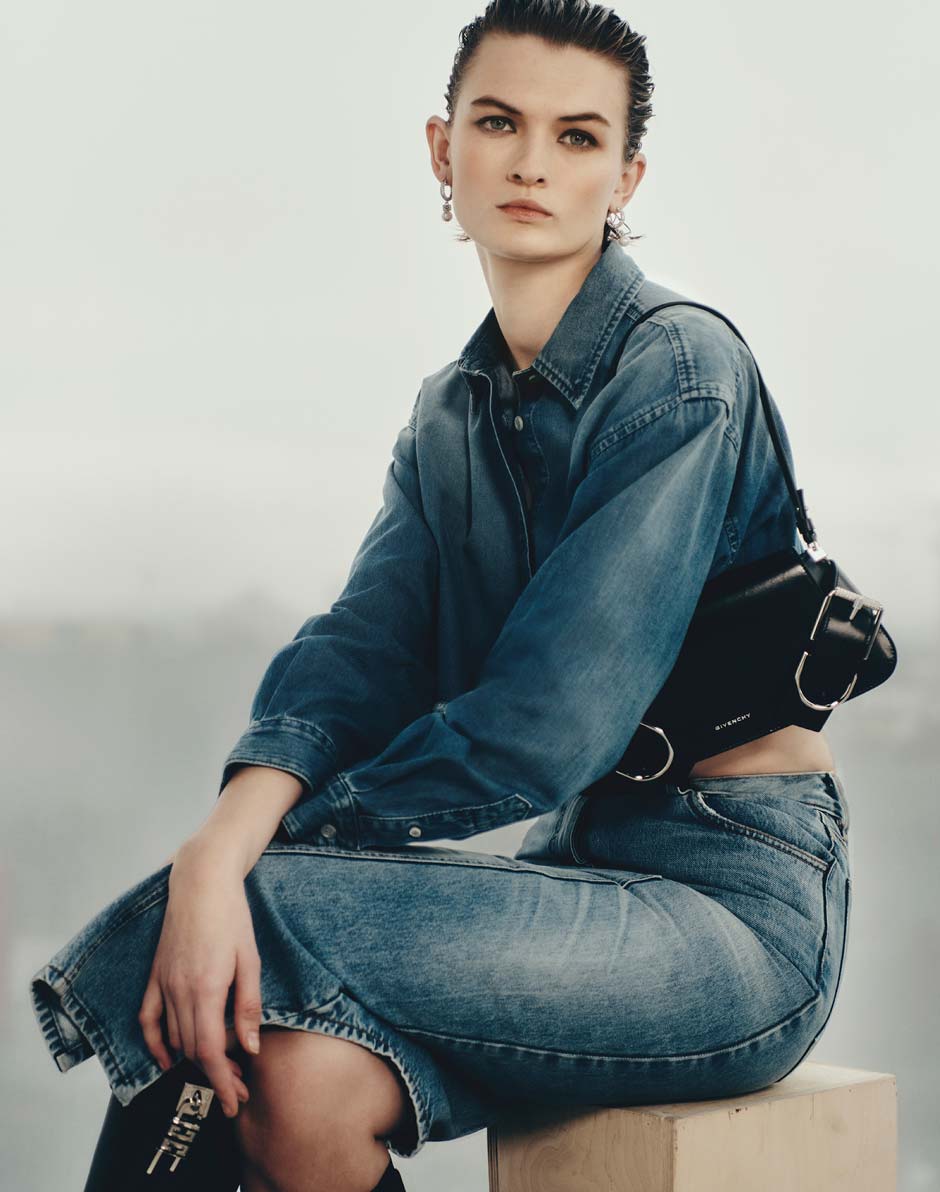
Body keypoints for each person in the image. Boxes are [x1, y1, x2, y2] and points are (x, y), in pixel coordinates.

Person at [29, 3, 853, 1191]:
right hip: (581, 876)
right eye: (499, 122)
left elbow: (550, 721)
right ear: (441, 148)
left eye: (577, 137)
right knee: (293, 1082)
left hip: (733, 910)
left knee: (257, 917)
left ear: (625, 178)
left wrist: (256, 866)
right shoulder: (450, 419)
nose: (531, 163)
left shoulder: (679, 372)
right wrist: (218, 844)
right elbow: (357, 656)